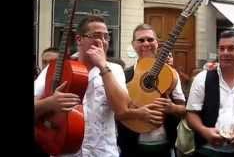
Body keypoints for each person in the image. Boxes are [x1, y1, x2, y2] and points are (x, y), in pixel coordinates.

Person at [34, 15, 143, 157]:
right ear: (79, 39)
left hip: (103, 152)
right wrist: (50, 103)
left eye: (106, 37)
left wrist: (103, 66)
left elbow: (121, 110)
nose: (102, 41)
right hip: (65, 151)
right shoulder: (57, 68)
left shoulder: (115, 69)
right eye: (96, 36)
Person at [116, 24, 186, 157]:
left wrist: (173, 108)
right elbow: (116, 113)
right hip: (131, 147)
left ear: (157, 43)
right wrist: (138, 113)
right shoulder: (123, 75)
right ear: (133, 44)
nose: (146, 43)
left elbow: (184, 110)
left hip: (165, 146)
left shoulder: (171, 74)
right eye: (141, 40)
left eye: (150, 39)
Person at [185, 30, 234, 157]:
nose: (225, 53)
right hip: (207, 150)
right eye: (222, 49)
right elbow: (191, 113)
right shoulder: (202, 78)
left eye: (231, 48)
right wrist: (204, 130)